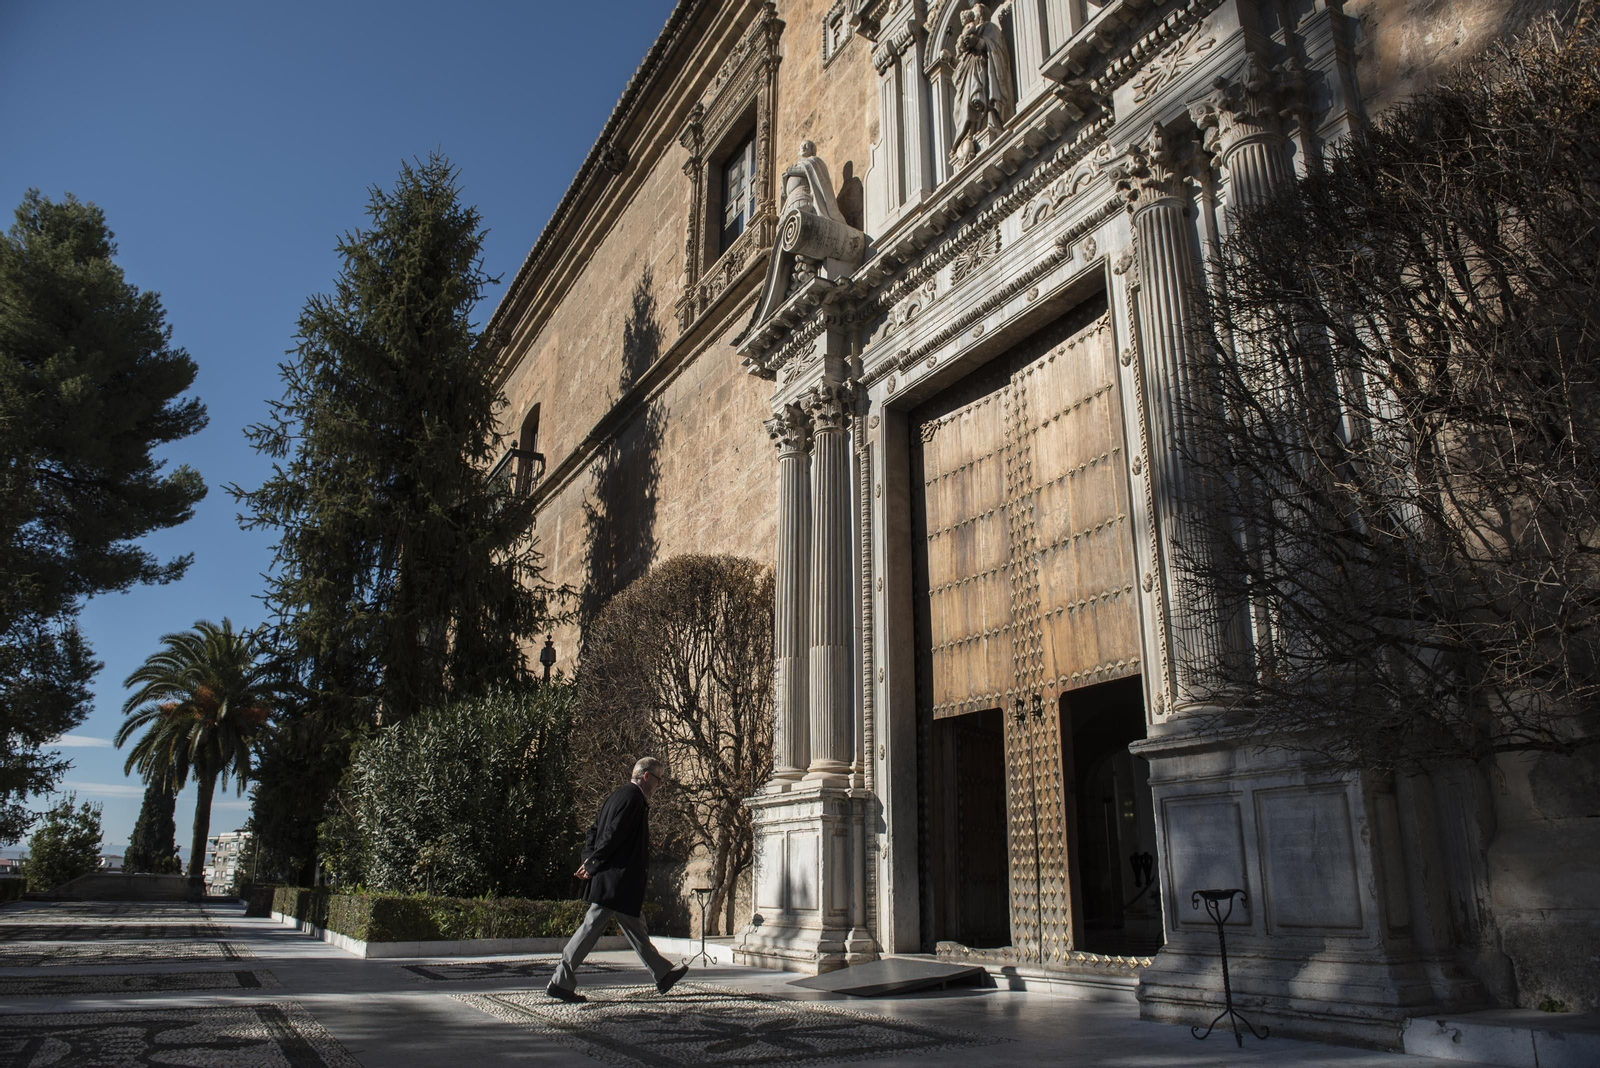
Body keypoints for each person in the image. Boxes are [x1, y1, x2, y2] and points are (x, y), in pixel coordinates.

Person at [547, 756, 688, 1003]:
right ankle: (560, 981)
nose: (658, 785)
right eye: (658, 779)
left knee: (635, 926)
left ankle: (663, 974)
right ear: (646, 776)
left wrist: (589, 859)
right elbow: (613, 835)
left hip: (615, 880)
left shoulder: (616, 795)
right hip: (616, 881)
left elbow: (593, 831)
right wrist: (592, 863)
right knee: (590, 928)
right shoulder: (634, 799)